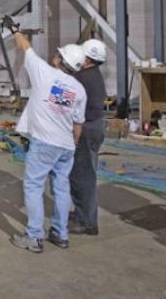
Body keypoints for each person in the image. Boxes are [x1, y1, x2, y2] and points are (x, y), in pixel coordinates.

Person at [4, 15, 87, 254]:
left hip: (44, 143)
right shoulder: (78, 89)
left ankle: (34, 237)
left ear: (59, 60)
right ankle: (60, 234)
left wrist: (14, 29)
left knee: (33, 187)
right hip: (66, 146)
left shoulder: (44, 73)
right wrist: (73, 143)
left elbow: (25, 47)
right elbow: (78, 123)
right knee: (61, 188)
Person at [69, 38, 108, 236]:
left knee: (82, 176)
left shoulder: (82, 78)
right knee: (85, 173)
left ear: (87, 59)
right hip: (95, 126)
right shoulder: (94, 75)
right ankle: (81, 214)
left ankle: (86, 222)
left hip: (86, 129)